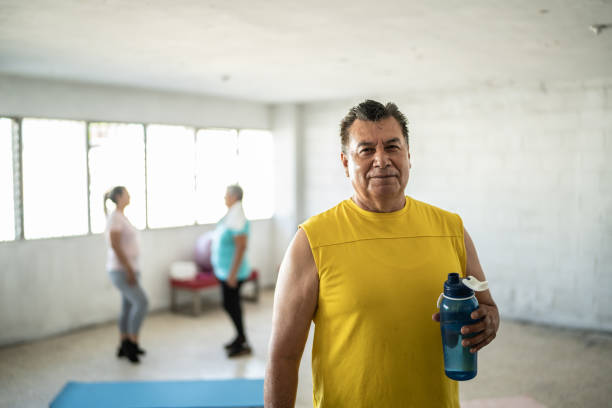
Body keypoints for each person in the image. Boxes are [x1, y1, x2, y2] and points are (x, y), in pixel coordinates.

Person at [265, 100, 500, 407]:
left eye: (392, 147)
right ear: (345, 162)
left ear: (409, 156)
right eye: (366, 150)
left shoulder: (450, 228)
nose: (382, 159)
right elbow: (282, 356)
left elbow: (487, 306)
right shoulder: (312, 240)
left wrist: (488, 322)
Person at [104, 186, 148, 364]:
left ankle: (124, 344)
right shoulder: (115, 217)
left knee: (128, 306)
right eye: (127, 193)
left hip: (128, 268)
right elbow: (115, 245)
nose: (130, 196)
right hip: (121, 270)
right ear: (120, 197)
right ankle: (132, 342)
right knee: (142, 302)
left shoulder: (120, 216)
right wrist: (129, 268)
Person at [211, 184, 252, 357]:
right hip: (225, 271)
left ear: (234, 197)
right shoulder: (232, 214)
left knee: (231, 305)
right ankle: (239, 337)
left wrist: (232, 274)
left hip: (232, 273)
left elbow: (241, 247)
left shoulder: (237, 216)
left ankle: (242, 341)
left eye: (226, 195)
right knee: (231, 305)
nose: (224, 198)